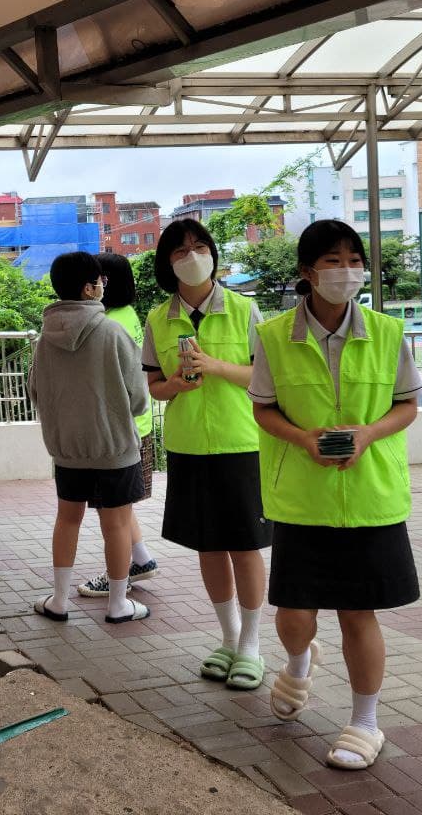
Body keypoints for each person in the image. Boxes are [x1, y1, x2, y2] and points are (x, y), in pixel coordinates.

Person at [250, 219, 422, 771]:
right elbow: (263, 407)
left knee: (358, 611)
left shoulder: (389, 332)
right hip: (302, 498)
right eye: (332, 260)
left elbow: (407, 404)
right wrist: (302, 439)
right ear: (307, 272)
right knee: (295, 611)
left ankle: (365, 723)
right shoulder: (274, 336)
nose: (346, 270)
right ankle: (298, 666)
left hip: (370, 496)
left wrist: (367, 434)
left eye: (354, 259)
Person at [142, 218, 270, 690]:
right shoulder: (158, 318)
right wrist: (176, 383)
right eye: (180, 250)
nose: (191, 255)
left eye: (199, 246)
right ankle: (229, 637)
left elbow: (265, 378)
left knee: (246, 544)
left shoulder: (244, 309)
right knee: (209, 545)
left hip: (241, 442)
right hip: (188, 444)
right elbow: (155, 387)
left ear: (214, 254)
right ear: (167, 262)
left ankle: (253, 644)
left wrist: (215, 366)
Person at [28, 252, 151, 624]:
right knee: (115, 525)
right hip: (114, 448)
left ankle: (59, 601)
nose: (103, 286)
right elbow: (139, 399)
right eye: (100, 280)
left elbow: (35, 391)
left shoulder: (44, 339)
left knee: (68, 519)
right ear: (89, 287)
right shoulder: (113, 332)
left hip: (67, 450)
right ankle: (117, 605)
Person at [77, 252, 160, 599]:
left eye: (96, 277)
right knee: (119, 509)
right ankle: (139, 561)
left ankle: (119, 577)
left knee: (112, 512)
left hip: (118, 429)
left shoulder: (111, 322)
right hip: (133, 426)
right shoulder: (124, 315)